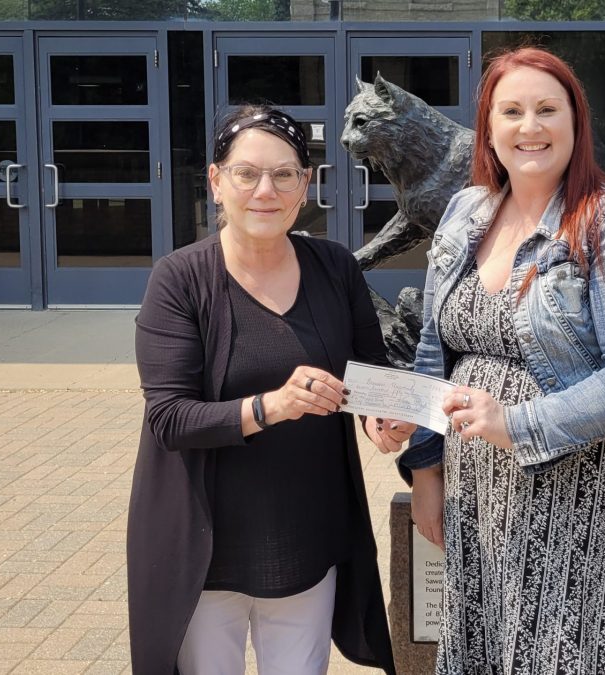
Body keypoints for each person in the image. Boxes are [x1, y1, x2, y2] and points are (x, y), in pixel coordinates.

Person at [397, 47, 605, 674]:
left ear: (575, 122)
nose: (528, 127)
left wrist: (518, 424)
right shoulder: (465, 213)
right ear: (487, 127)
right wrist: (423, 466)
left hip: (598, 502)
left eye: (546, 109)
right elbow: (434, 348)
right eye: (511, 111)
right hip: (482, 499)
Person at [126, 104, 410, 674]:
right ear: (216, 180)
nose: (266, 189)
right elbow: (170, 419)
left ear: (306, 185)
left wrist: (384, 417)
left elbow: (369, 371)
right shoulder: (180, 279)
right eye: (247, 173)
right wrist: (271, 406)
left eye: (284, 174)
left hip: (308, 533)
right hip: (207, 548)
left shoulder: (334, 267)